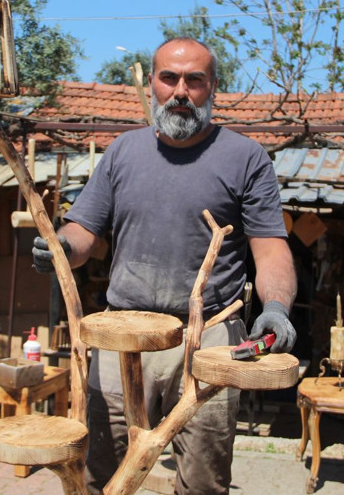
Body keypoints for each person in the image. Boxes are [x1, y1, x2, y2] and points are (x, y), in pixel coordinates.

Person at [32, 37, 297, 494]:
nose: (180, 90)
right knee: (103, 471)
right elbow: (84, 231)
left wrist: (275, 307)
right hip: (123, 333)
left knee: (203, 481)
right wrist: (59, 247)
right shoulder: (123, 152)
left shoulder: (246, 157)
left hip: (211, 334)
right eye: (169, 78)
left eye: (194, 80)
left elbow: (270, 247)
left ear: (212, 87)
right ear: (152, 83)